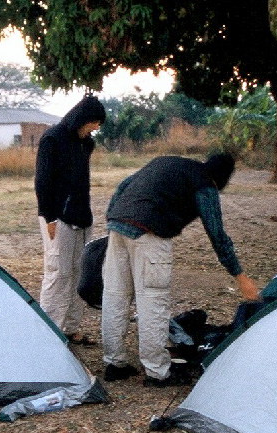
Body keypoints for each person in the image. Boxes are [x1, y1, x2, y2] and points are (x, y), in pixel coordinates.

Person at [100, 153, 260, 387]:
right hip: (150, 233)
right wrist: (239, 275)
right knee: (153, 302)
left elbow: (124, 184)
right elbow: (216, 232)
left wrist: (114, 217)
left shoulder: (168, 162)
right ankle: (158, 372)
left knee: (115, 296)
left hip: (118, 226)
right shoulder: (205, 184)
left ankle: (114, 364)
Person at [34, 93, 107, 345]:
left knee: (79, 274)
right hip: (56, 219)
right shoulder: (52, 139)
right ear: (83, 118)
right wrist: (49, 217)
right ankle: (49, 334)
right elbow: (42, 181)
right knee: (58, 274)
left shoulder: (86, 144)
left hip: (82, 217)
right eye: (95, 122)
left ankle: (70, 329)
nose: (97, 128)